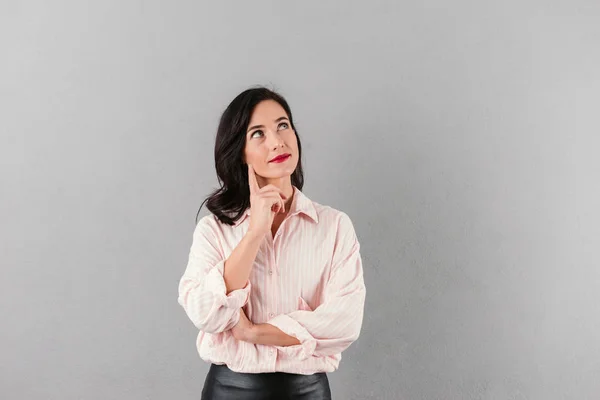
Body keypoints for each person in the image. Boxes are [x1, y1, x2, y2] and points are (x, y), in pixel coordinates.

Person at [177, 87, 366, 399]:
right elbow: (206, 314)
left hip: (307, 390)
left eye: (283, 125)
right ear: (240, 151)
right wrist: (253, 234)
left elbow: (344, 324)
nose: (277, 141)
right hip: (230, 390)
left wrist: (253, 332)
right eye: (258, 134)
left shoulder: (334, 227)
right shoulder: (215, 230)